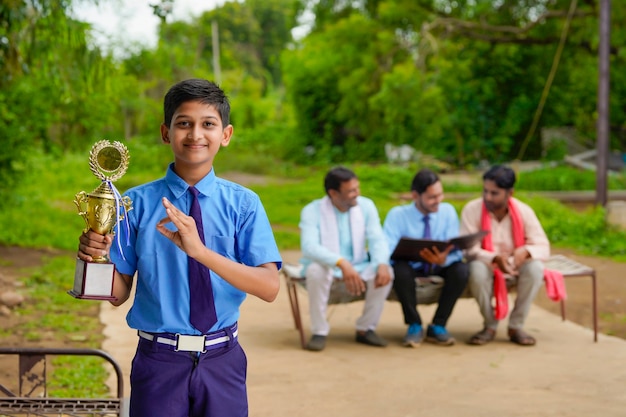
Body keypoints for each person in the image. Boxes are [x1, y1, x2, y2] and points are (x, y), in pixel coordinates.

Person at [77, 78, 282, 417]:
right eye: (183, 123)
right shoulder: (135, 204)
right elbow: (117, 294)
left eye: (208, 124)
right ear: (165, 132)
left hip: (223, 358)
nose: (195, 134)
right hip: (159, 361)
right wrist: (95, 257)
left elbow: (270, 287)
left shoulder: (244, 204)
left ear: (225, 135)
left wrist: (200, 251)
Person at [298, 167, 393, 351]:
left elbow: (377, 238)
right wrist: (341, 262)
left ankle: (366, 329)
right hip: (329, 265)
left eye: (357, 188)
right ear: (333, 193)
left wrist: (381, 262)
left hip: (358, 265)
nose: (357, 194)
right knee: (315, 270)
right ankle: (319, 331)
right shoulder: (312, 210)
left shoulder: (366, 206)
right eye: (351, 191)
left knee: (386, 272)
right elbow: (309, 247)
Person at [460, 164, 550, 347]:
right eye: (485, 191)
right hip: (486, 264)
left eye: (494, 193)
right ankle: (490, 325)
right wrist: (493, 258)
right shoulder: (472, 209)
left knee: (536, 268)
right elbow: (467, 249)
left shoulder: (524, 211)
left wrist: (525, 251)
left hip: (515, 265)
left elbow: (543, 246)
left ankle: (516, 327)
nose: (487, 197)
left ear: (510, 193)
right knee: (475, 269)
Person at [383, 169, 469, 347]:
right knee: (399, 270)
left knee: (461, 270)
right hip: (410, 266)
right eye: (432, 197)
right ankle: (414, 324)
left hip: (439, 264)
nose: (438, 200)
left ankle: (439, 324)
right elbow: (387, 249)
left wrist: (444, 259)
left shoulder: (447, 212)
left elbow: (455, 248)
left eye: (440, 194)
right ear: (415, 195)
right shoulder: (397, 215)